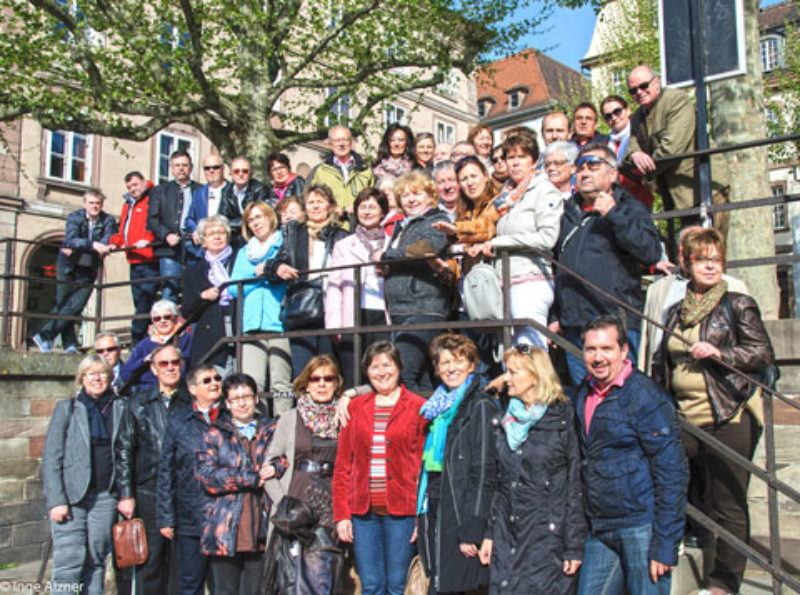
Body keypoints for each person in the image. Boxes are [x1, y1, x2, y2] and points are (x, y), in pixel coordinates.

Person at [652, 229, 774, 595]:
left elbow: (761, 353)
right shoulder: (676, 311)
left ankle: (724, 582)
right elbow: (663, 364)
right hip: (684, 417)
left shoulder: (737, 304)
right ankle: (688, 546)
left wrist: (722, 354)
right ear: (686, 264)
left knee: (728, 501)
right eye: (702, 259)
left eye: (716, 260)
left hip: (729, 414)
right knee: (676, 483)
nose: (710, 265)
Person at [573, 317, 688, 595]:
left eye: (606, 348)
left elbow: (672, 471)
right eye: (590, 349)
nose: (598, 357)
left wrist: (665, 542)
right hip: (600, 527)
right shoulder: (583, 393)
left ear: (624, 351)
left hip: (640, 527)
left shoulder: (645, 396)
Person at [552, 143, 662, 384]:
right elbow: (556, 266)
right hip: (574, 326)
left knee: (620, 399)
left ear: (613, 174)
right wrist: (555, 313)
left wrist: (613, 215)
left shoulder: (628, 207)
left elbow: (651, 251)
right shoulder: (567, 212)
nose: (585, 172)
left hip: (613, 322)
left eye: (593, 165)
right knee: (586, 401)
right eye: (580, 167)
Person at [479, 345, 586, 593]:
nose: (506, 378)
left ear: (535, 376)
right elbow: (498, 483)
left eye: (514, 372)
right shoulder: (506, 419)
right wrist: (490, 534)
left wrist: (573, 545)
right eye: (507, 371)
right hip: (508, 533)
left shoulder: (562, 417)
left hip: (547, 537)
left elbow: (574, 485)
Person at [333, 342, 427, 595]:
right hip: (364, 513)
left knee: (397, 585)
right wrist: (342, 514)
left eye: (387, 365)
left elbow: (423, 466)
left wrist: (421, 516)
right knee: (372, 585)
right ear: (367, 372)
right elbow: (343, 465)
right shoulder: (355, 407)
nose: (382, 372)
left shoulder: (418, 407)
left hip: (402, 511)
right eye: (375, 367)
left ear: (398, 368)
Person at [417, 334, 497, 593]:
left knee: (458, 585)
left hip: (461, 507)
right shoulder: (435, 407)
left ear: (473, 365)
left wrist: (472, 529)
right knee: (439, 581)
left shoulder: (480, 404)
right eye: (444, 362)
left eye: (459, 361)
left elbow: (484, 472)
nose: (451, 368)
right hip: (436, 497)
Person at [262, 355, 346, 593]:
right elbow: (270, 463)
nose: (321, 384)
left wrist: (349, 396)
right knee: (292, 577)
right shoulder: (291, 418)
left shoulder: (345, 416)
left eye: (328, 379)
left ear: (337, 383)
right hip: (296, 502)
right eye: (315, 378)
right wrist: (283, 503)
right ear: (306, 384)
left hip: (330, 503)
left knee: (322, 572)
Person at [471, 130, 563, 348]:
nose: (515, 163)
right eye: (510, 157)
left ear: (534, 160)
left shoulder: (544, 190)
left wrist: (498, 243)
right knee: (510, 357)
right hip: (504, 282)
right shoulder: (507, 195)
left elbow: (547, 237)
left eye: (521, 157)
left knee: (529, 352)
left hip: (530, 280)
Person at [42, 354, 124, 594]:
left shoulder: (120, 407)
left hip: (104, 496)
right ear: (82, 378)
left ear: (110, 377)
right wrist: (57, 501)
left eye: (102, 373)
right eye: (91, 374)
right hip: (71, 497)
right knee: (69, 562)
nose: (97, 379)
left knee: (97, 561)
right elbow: (51, 458)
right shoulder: (67, 408)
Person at [115, 344, 191, 594]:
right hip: (149, 492)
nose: (170, 368)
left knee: (181, 565)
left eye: (175, 363)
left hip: (184, 493)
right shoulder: (137, 403)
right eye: (164, 364)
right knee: (151, 564)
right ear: (153, 369)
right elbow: (124, 449)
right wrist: (126, 494)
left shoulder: (191, 402)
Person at [195, 373, 280, 595]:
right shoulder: (215, 434)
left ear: (255, 398)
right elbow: (207, 476)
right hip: (225, 530)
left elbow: (287, 456)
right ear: (227, 403)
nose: (242, 403)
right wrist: (249, 478)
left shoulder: (272, 429)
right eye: (235, 399)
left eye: (247, 397)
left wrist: (278, 466)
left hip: (261, 528)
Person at [624, 64, 730, 232]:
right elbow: (632, 143)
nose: (639, 92)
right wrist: (635, 154)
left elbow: (672, 148)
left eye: (644, 86)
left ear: (657, 82)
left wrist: (646, 172)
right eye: (633, 90)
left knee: (711, 250)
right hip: (677, 196)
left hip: (702, 187)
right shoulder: (637, 117)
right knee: (689, 252)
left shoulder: (677, 101)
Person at [375, 172, 453, 394]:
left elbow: (424, 250)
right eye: (405, 195)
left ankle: (413, 426)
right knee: (421, 377)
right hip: (400, 309)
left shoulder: (437, 220)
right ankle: (429, 425)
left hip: (424, 307)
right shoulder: (402, 225)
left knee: (403, 373)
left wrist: (385, 256)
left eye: (417, 193)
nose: (410, 199)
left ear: (430, 195)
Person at [265, 185, 347, 378]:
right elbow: (275, 261)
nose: (315, 207)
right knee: (302, 371)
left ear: (330, 206)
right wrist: (278, 268)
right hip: (302, 307)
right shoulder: (295, 234)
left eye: (320, 202)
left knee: (330, 369)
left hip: (332, 309)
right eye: (311, 202)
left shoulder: (340, 235)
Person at [157, 364, 225, 595]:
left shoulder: (230, 417)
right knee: (189, 581)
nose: (215, 383)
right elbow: (166, 470)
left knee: (222, 584)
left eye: (217, 378)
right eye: (207, 380)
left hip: (224, 516)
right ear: (193, 388)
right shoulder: (179, 421)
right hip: (190, 514)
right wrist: (166, 517)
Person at [228, 201, 293, 414]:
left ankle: (283, 428)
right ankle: (259, 431)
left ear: (270, 217)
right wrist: (258, 274)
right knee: (253, 383)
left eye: (260, 217)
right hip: (252, 325)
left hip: (280, 323)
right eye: (251, 220)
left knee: (281, 384)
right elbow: (233, 289)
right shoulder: (245, 252)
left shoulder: (285, 243)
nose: (256, 223)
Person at [33, 189, 115, 353]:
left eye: (98, 203)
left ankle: (45, 335)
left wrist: (90, 245)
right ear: (85, 204)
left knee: (77, 303)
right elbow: (71, 240)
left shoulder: (108, 220)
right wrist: (92, 245)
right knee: (64, 302)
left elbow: (107, 240)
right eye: (91, 203)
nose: (94, 206)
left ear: (102, 204)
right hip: (68, 264)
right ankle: (67, 342)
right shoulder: (75, 217)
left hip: (88, 267)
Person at [326, 188, 390, 387]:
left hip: (383, 312)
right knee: (354, 372)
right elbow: (334, 286)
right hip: (352, 313)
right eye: (362, 207)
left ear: (383, 211)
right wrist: (334, 324)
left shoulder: (392, 243)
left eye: (373, 207)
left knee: (382, 368)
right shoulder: (344, 245)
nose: (367, 212)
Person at [181, 214, 237, 373]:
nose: (217, 237)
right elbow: (186, 311)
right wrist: (202, 297)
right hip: (212, 335)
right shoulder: (194, 271)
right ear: (203, 241)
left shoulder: (239, 260)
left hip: (239, 326)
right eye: (211, 234)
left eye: (221, 232)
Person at [108, 171, 159, 343]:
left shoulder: (152, 197)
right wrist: (115, 242)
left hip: (149, 258)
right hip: (133, 258)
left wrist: (148, 238)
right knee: (139, 301)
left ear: (144, 182)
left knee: (145, 299)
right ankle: (142, 338)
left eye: (135, 185)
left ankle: (137, 336)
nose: (132, 189)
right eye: (129, 187)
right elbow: (123, 228)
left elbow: (155, 222)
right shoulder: (128, 204)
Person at [147, 149, 200, 302]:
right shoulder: (160, 191)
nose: (181, 168)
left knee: (195, 289)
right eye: (177, 165)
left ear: (191, 167)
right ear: (171, 168)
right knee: (169, 290)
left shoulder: (200, 190)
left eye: (184, 165)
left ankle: (193, 325)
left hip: (194, 246)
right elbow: (152, 219)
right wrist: (166, 234)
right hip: (169, 248)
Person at [119, 300, 192, 392]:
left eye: (167, 317)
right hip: (148, 393)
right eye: (157, 319)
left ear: (175, 318)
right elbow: (124, 374)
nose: (162, 321)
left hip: (179, 390)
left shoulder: (187, 339)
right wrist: (143, 361)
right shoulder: (145, 344)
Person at [307, 125, 375, 219]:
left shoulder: (365, 170)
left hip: (359, 226)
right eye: (337, 140)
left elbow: (373, 199)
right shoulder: (320, 171)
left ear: (351, 143)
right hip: (330, 225)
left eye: (345, 140)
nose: (341, 144)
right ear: (330, 144)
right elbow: (311, 200)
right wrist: (332, 208)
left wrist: (357, 206)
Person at [601, 95, 655, 210]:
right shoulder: (605, 144)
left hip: (639, 200)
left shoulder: (641, 135)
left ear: (627, 110)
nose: (614, 118)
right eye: (608, 116)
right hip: (614, 203)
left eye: (617, 112)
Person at [185, 154, 232, 263]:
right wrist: (196, 229)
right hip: (203, 251)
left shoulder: (232, 190)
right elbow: (189, 219)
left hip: (226, 250)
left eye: (215, 167)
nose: (211, 171)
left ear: (223, 168)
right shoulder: (199, 192)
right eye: (207, 168)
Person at [219, 156, 269, 243]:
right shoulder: (226, 191)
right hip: (234, 239)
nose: (240, 174)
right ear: (231, 174)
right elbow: (222, 219)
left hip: (256, 237)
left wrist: (235, 223)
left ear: (250, 174)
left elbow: (259, 219)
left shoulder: (260, 189)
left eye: (245, 171)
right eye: (236, 171)